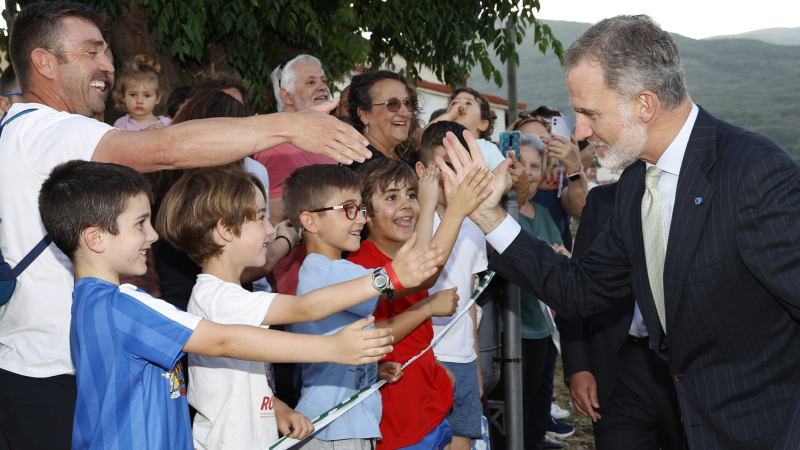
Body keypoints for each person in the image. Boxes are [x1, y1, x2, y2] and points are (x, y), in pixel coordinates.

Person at [0, 3, 370, 448]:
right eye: (91, 51)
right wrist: (287, 126)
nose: (108, 66)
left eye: (108, 52)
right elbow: (164, 148)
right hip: (54, 376)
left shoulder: (19, 130)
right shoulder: (46, 129)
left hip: (49, 368)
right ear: (44, 62)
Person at [440, 14, 800, 450]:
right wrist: (489, 217)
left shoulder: (754, 172)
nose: (582, 132)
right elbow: (581, 289)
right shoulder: (635, 183)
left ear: (644, 104)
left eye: (589, 113)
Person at [36, 160, 398, 450]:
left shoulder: (91, 304)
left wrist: (277, 405)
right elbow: (225, 340)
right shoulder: (124, 305)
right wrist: (331, 346)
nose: (153, 235)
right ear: (96, 238)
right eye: (140, 223)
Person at [155, 166, 445, 450]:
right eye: (260, 218)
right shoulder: (218, 298)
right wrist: (388, 278)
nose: (270, 228)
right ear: (226, 230)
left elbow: (238, 381)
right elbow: (306, 308)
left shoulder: (227, 296)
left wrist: (279, 409)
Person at [348, 157, 492, 450]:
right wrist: (428, 307)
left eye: (410, 195)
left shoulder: (405, 256)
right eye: (391, 197)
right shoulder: (363, 265)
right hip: (399, 417)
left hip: (428, 404)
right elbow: (375, 334)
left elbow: (424, 257)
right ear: (366, 214)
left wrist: (434, 365)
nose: (405, 204)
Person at [558, 182, 683, 450]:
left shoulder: (708, 194)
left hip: (687, 368)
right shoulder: (603, 200)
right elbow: (577, 287)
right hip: (618, 370)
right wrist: (578, 366)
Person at [414, 121, 490, 450]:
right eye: (443, 164)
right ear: (422, 170)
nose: (452, 175)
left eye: (459, 166)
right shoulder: (411, 220)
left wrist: (473, 361)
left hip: (462, 358)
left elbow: (470, 297)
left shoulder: (475, 224)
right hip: (423, 356)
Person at [505, 133, 575, 450]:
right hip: (514, 326)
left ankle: (534, 443)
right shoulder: (502, 213)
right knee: (516, 402)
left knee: (541, 395)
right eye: (521, 163)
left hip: (545, 325)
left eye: (535, 166)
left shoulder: (544, 213)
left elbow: (553, 258)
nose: (528, 172)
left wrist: (563, 259)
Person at [254, 54, 338, 296]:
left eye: (323, 81)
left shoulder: (329, 139)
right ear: (287, 96)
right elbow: (272, 213)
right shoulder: (275, 146)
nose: (322, 86)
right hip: (295, 282)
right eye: (310, 82)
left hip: (333, 273)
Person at [507, 110, 589, 250]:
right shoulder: (499, 187)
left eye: (543, 140)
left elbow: (578, 207)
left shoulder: (556, 182)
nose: (536, 145)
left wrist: (575, 168)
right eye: (528, 138)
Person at [347, 69, 422, 170]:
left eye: (407, 103)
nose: (405, 113)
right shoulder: (359, 167)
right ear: (364, 114)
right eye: (392, 104)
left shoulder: (411, 158)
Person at [428, 87, 506, 169]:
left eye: (468, 103)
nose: (459, 105)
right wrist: (450, 115)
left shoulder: (489, 148)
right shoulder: (441, 143)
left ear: (482, 124)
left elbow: (505, 177)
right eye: (454, 103)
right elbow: (425, 135)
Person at [112, 55, 171, 130]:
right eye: (133, 95)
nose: (139, 101)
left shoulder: (167, 124)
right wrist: (145, 133)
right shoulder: (121, 124)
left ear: (158, 98)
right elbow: (122, 142)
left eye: (146, 95)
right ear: (123, 96)